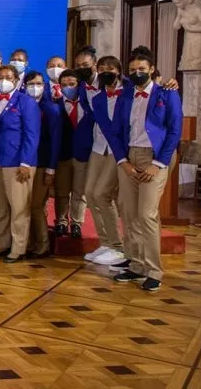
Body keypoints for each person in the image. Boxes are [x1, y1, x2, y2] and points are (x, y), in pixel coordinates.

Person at [111, 47, 182, 292]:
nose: (137, 73)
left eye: (142, 69)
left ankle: (154, 270)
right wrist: (123, 161)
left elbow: (174, 131)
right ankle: (137, 264)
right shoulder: (125, 95)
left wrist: (158, 164)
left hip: (156, 158)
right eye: (133, 70)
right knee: (129, 213)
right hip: (129, 155)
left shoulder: (167, 93)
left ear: (152, 70)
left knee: (147, 214)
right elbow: (116, 131)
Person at [0, 65, 40, 263]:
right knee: (1, 208)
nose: (4, 80)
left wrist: (25, 162)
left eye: (8, 77)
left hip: (18, 163)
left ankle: (19, 248)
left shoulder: (26, 103)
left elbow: (32, 135)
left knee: (19, 208)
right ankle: (3, 243)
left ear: (17, 80)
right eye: (0, 77)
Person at [84, 55, 128, 267]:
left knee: (103, 193)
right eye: (101, 68)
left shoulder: (128, 91)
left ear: (118, 70)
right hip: (98, 146)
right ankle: (105, 242)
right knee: (90, 193)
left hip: (117, 149)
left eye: (110, 68)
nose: (105, 71)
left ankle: (118, 246)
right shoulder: (98, 97)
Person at [25, 70, 62, 258]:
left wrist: (51, 168)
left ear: (44, 86)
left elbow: (56, 141)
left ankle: (43, 245)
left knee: (37, 205)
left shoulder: (51, 109)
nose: (34, 87)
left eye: (38, 83)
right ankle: (30, 242)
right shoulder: (22, 106)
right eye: (30, 84)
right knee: (25, 205)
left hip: (42, 163)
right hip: (25, 163)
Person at [55, 69, 90, 238]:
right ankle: (61, 222)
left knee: (79, 191)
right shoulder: (56, 104)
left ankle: (77, 223)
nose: (68, 87)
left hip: (82, 154)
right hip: (63, 154)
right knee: (62, 191)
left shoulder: (88, 102)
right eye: (64, 85)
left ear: (79, 85)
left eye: (72, 84)